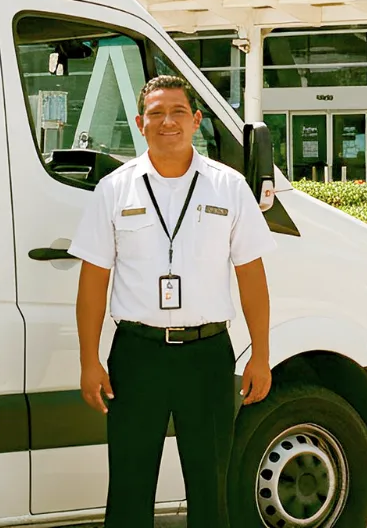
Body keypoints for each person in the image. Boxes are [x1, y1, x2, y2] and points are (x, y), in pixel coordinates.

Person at [70, 74, 274, 528]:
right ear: (140, 123)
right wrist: (89, 359)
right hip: (137, 355)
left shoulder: (229, 186)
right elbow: (92, 281)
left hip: (207, 356)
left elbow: (252, 277)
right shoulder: (115, 189)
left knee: (210, 486)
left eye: (178, 112)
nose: (168, 122)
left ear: (197, 120)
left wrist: (260, 353)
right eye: (157, 113)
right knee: (128, 486)